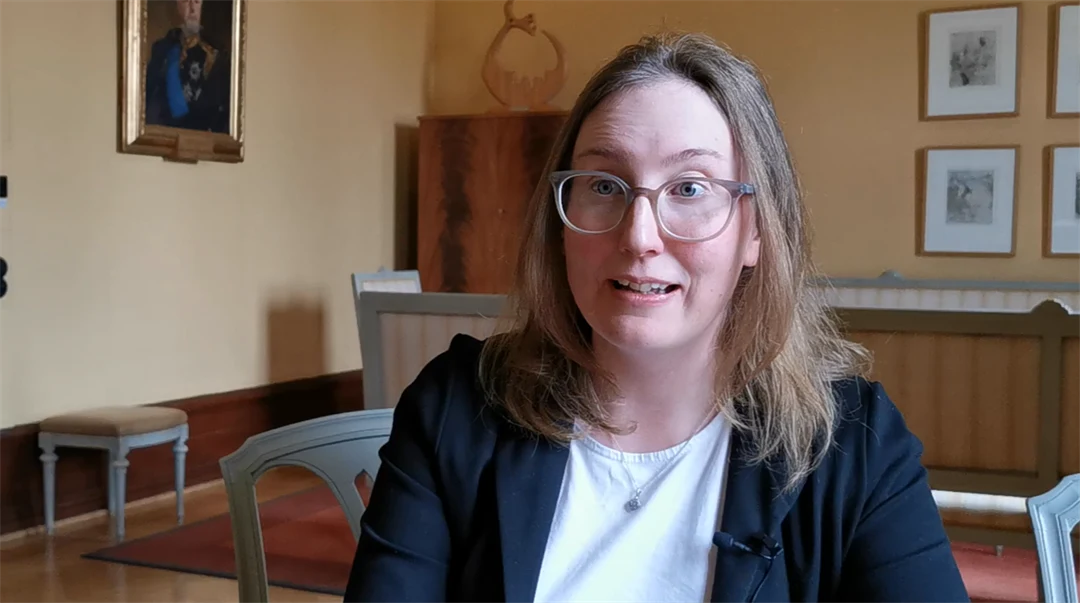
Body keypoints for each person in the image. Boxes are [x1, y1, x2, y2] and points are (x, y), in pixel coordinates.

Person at [344, 32, 971, 603]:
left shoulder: (855, 444)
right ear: (559, 223)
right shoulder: (455, 408)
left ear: (756, 230)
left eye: (690, 188)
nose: (640, 236)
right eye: (605, 185)